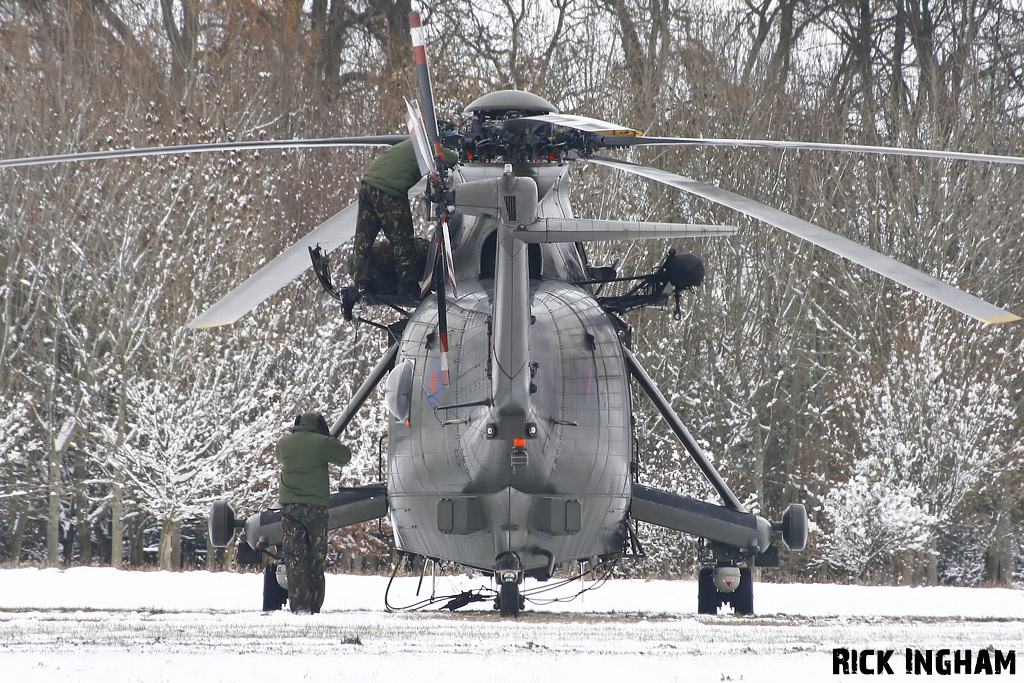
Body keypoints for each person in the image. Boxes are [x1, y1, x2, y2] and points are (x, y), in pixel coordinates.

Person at [351, 138, 459, 298]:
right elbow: (450, 158)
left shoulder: (410, 144)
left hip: (368, 184)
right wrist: (456, 154)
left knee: (363, 239)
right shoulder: (429, 148)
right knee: (403, 241)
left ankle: (361, 285)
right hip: (389, 190)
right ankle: (407, 285)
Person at [275, 412, 351, 614]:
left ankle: (299, 605)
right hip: (315, 508)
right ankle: (315, 604)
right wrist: (330, 439)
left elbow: (278, 456)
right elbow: (345, 456)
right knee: (316, 556)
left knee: (295, 556)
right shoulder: (322, 443)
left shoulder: (284, 443)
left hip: (290, 507)